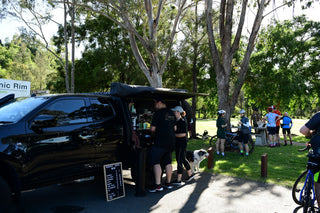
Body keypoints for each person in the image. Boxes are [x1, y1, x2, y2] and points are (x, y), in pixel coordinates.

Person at [149, 98, 176, 192]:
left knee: (156, 162)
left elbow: (152, 129)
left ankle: (158, 185)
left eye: (155, 103)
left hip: (160, 141)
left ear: (159, 102)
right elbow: (175, 128)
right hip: (171, 141)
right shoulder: (172, 113)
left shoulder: (158, 113)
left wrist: (152, 134)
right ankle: (168, 183)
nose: (155, 105)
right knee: (168, 162)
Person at [300, 112, 320, 207]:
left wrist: (311, 134)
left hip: (318, 153)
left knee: (318, 180)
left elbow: (303, 130)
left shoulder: (318, 115)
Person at [170, 106, 194, 185]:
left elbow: (183, 134)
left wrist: (174, 135)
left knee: (179, 160)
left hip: (181, 144)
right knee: (183, 159)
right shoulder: (176, 121)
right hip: (178, 143)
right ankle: (190, 175)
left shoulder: (182, 121)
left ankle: (179, 180)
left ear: (178, 112)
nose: (174, 113)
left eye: (175, 112)